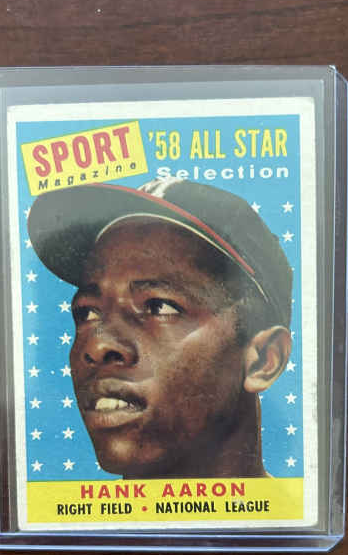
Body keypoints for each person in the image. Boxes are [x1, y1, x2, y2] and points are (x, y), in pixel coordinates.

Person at [28, 177, 292, 479]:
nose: (97, 346)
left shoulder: (308, 509)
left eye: (158, 307)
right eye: (87, 312)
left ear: (264, 360)